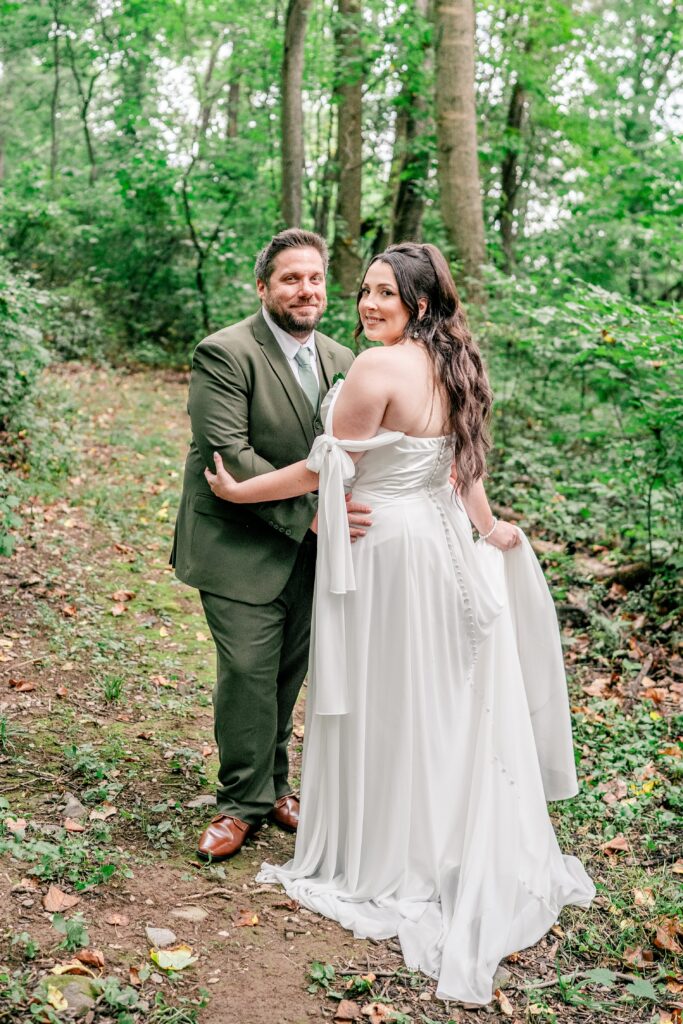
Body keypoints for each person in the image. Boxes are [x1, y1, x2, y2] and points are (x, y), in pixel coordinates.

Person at [204, 242, 595, 1004]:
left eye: (385, 293)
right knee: (431, 695)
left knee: (386, 693)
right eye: (366, 291)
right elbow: (463, 470)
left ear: (420, 301)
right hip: (439, 540)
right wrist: (487, 529)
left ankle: (381, 848)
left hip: (382, 547)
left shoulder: (374, 370)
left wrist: (239, 493)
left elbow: (326, 472)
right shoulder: (458, 365)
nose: (367, 304)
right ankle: (429, 832)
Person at [171, 228, 357, 861]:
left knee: (286, 672)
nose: (306, 290)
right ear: (263, 287)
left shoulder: (343, 359)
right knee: (249, 671)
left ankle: (274, 785)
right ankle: (238, 804)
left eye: (315, 279)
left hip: (313, 553)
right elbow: (230, 457)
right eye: (290, 279)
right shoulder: (224, 353)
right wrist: (312, 516)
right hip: (237, 543)